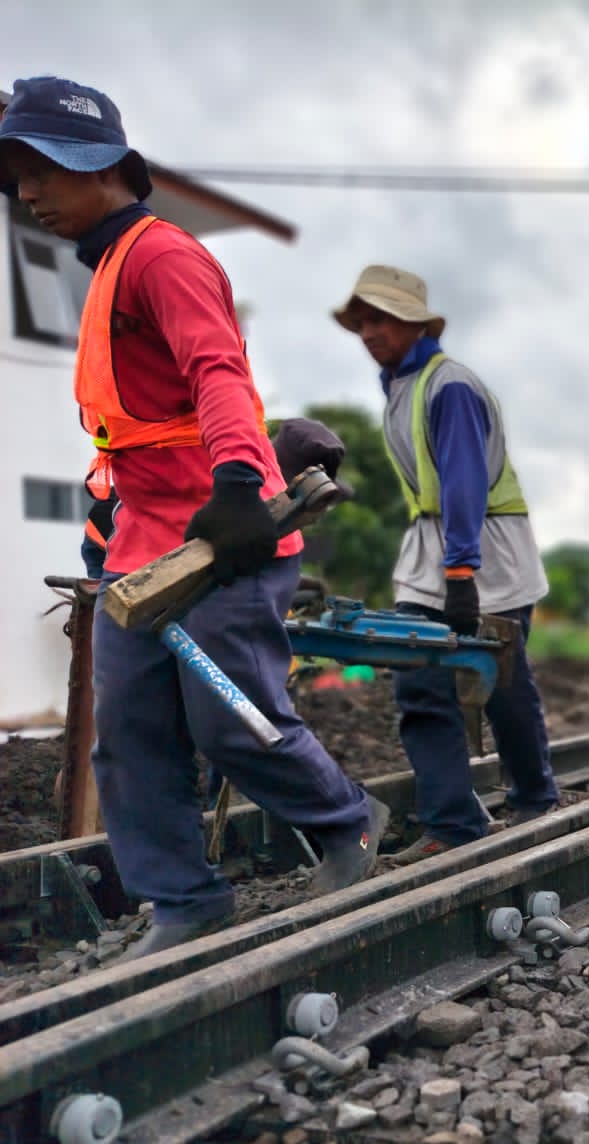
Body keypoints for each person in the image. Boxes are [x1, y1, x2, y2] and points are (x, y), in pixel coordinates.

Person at [0, 76, 387, 957]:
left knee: (229, 714)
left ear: (96, 167)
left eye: (40, 172)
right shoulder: (105, 271)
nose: (26, 193)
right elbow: (127, 432)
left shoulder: (160, 254)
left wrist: (243, 487)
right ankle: (185, 901)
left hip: (220, 535)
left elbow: (219, 375)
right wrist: (103, 525)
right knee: (129, 733)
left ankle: (346, 819)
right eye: (15, 175)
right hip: (144, 544)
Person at [333, 265, 561, 863]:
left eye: (380, 318)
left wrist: (461, 571)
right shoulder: (400, 383)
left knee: (502, 684)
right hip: (431, 549)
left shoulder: (449, 385)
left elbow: (464, 481)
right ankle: (453, 822)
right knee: (420, 684)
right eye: (362, 321)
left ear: (413, 322)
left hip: (484, 550)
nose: (368, 331)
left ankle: (535, 796)